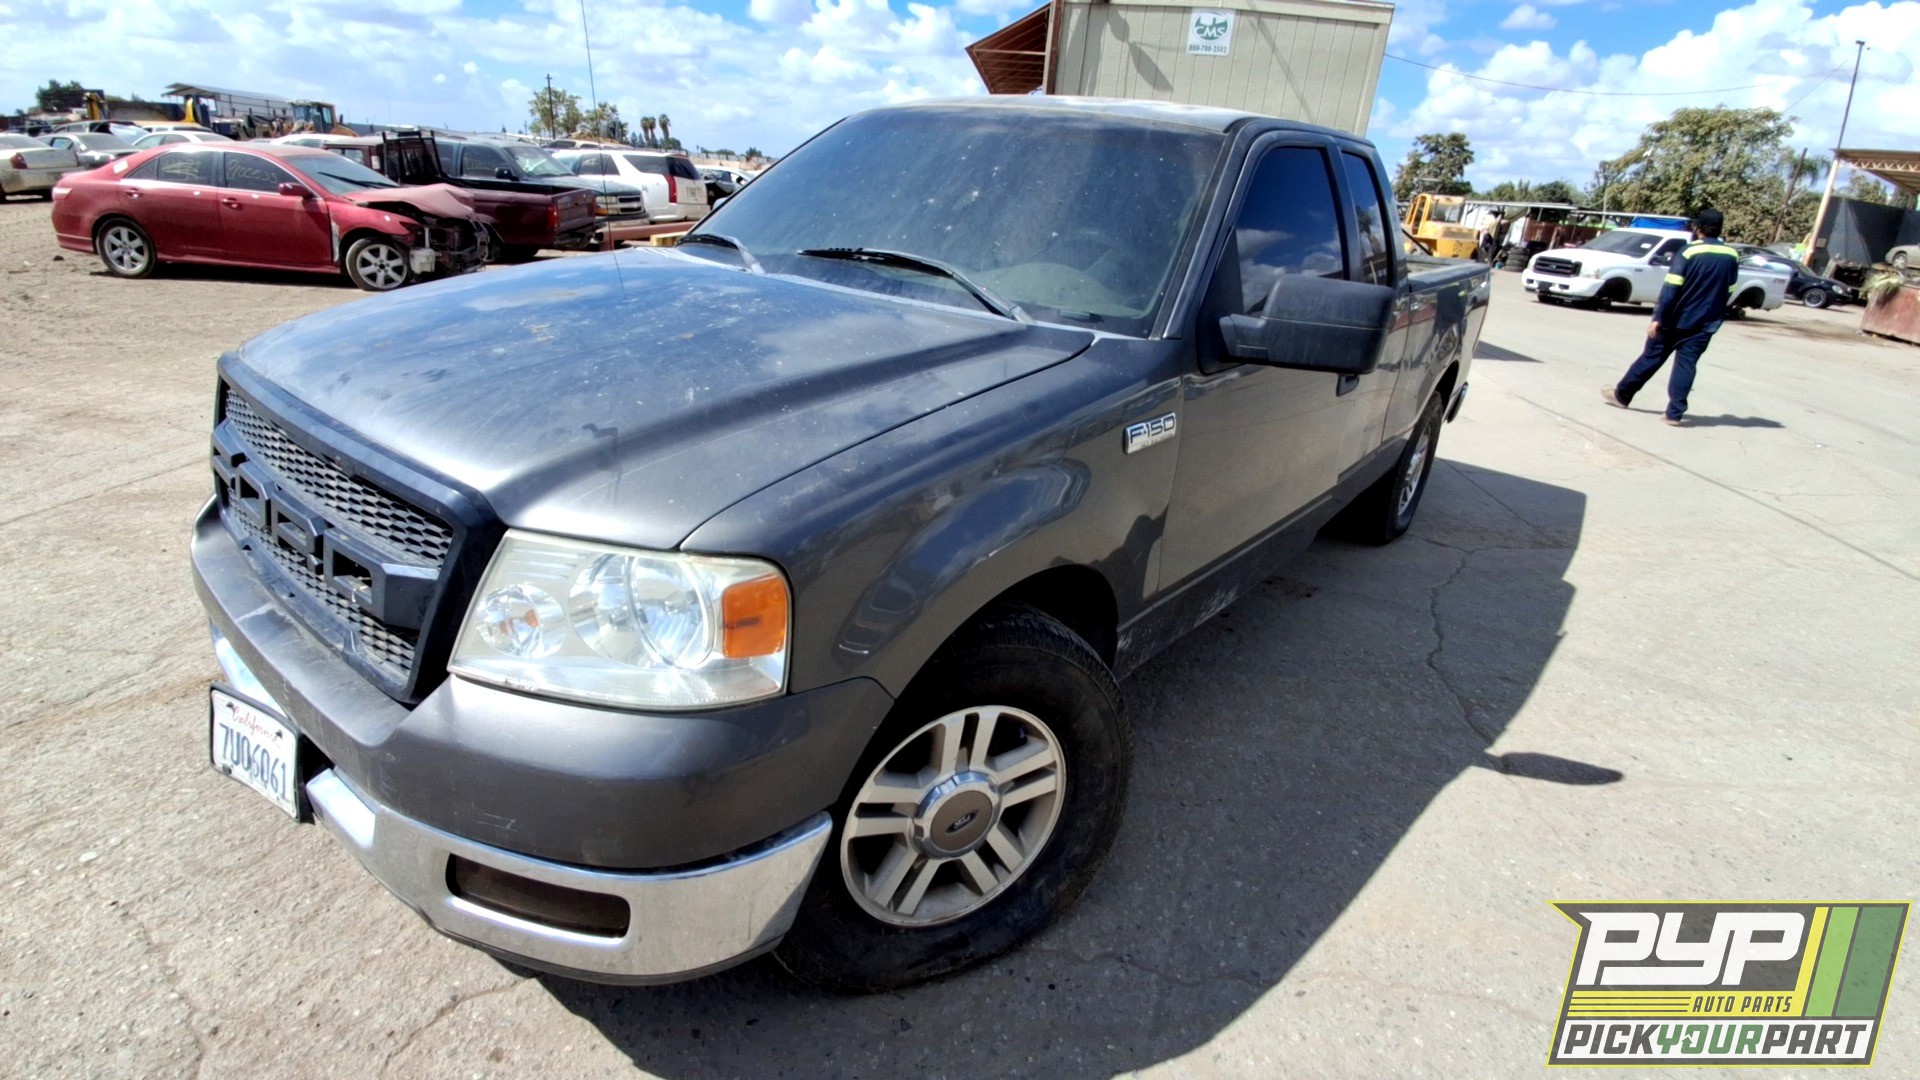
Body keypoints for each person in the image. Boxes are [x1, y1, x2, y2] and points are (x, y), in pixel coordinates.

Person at [1602, 208, 1739, 427]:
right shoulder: (1731, 255)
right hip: (1705, 323)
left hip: (1675, 319)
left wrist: (1658, 317)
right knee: (1686, 365)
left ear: (1698, 229)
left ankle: (1622, 396)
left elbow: (1671, 289)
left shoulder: (1687, 252)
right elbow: (1729, 290)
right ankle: (1674, 414)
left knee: (1651, 357)